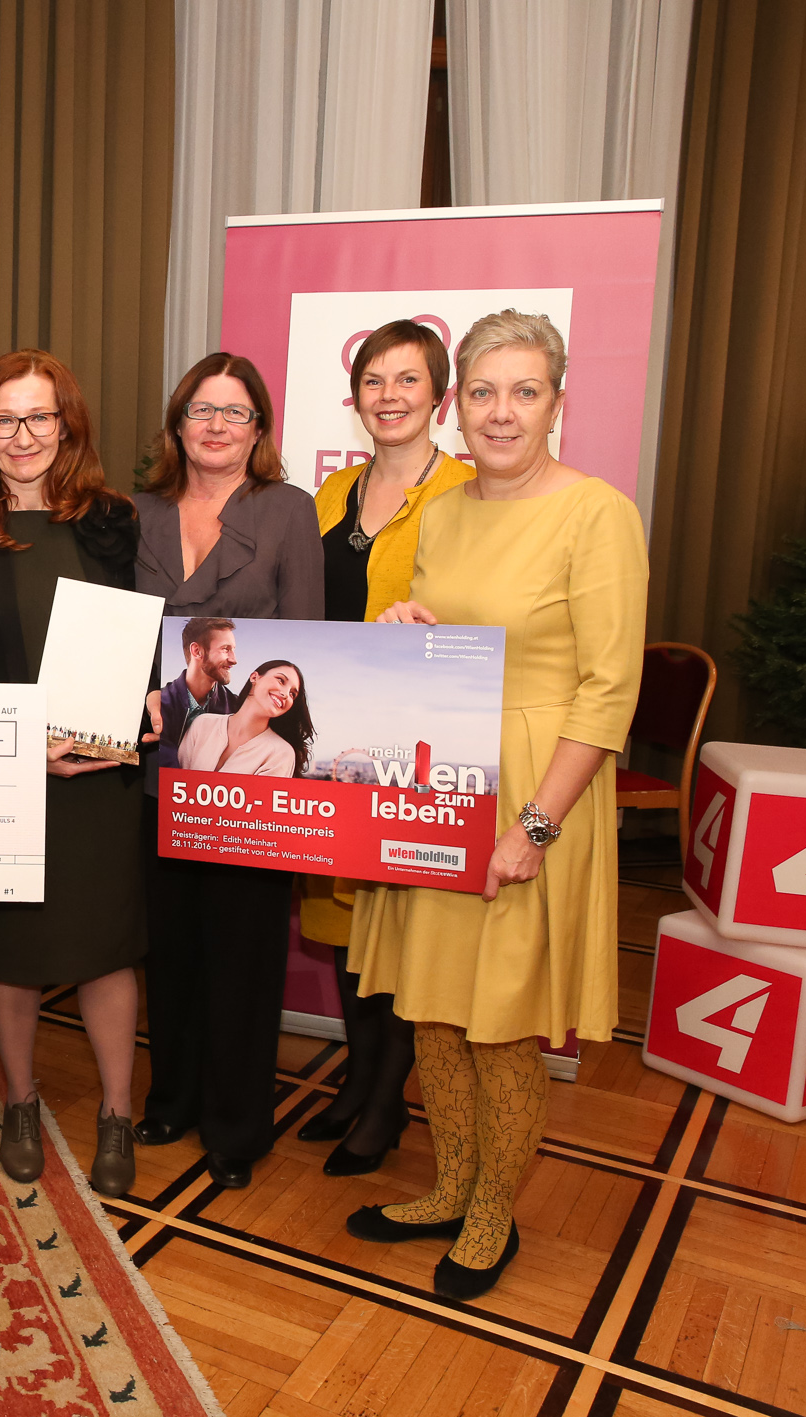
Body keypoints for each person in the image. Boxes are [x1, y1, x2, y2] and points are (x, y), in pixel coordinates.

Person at [344, 310, 646, 1301]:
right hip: (444, 790)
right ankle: (448, 1186)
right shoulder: (440, 512)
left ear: (557, 402)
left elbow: (609, 690)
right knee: (434, 1009)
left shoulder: (596, 512)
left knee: (501, 1022)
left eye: (523, 391)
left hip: (535, 793)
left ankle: (492, 1214)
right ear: (457, 405)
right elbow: (448, 646)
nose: (500, 412)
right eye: (482, 392)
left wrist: (534, 827)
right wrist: (406, 633)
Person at [0, 349, 143, 1200]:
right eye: (5, 419)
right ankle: (20, 1102)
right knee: (12, 951)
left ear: (68, 425)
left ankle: (118, 1111)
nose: (23, 436)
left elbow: (146, 636)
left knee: (106, 948)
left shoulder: (114, 519)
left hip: (103, 779)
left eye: (39, 417)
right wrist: (26, 744)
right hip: (9, 775)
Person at [131, 353, 323, 1189]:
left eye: (235, 412)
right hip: (160, 769)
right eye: (201, 410)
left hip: (252, 796)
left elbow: (308, 633)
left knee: (243, 957)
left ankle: (237, 1125)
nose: (216, 425)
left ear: (259, 429)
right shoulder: (137, 512)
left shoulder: (288, 511)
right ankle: (172, 1096)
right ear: (178, 424)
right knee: (170, 948)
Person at [299, 321, 476, 1178]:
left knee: (399, 924)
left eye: (408, 379)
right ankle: (358, 1078)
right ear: (355, 396)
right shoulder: (331, 492)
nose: (389, 395)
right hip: (330, 740)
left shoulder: (471, 493)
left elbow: (482, 610)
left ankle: (385, 1103)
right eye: (374, 380)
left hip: (414, 744)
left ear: (439, 393)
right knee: (344, 925)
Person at [174, 659, 311, 777]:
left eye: (292, 694)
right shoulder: (203, 724)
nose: (286, 694)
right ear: (254, 677)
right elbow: (176, 782)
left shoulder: (281, 753)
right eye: (281, 680)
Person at [159, 616, 238, 747]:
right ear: (197, 651)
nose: (234, 660)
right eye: (225, 649)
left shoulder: (236, 708)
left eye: (233, 650)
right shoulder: (160, 706)